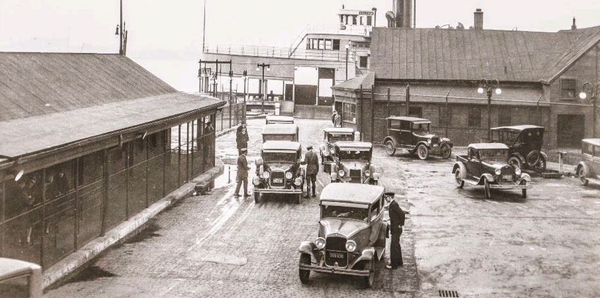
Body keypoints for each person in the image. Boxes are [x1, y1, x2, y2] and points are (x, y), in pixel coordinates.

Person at [385, 194, 405, 269]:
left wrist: (400, 224)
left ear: (390, 197)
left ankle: (394, 265)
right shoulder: (392, 204)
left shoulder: (394, 205)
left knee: (393, 246)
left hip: (396, 228)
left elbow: (402, 214)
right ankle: (399, 262)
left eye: (386, 197)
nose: (386, 199)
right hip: (396, 228)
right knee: (396, 245)